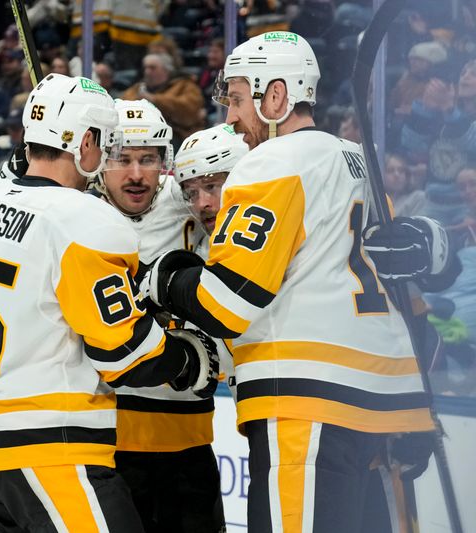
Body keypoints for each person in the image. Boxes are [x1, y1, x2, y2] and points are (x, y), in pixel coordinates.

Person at [144, 31, 450, 532]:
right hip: (380, 406)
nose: (231, 118)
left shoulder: (272, 162)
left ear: (276, 95)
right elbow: (396, 273)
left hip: (306, 403)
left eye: (239, 99)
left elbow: (229, 303)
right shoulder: (355, 159)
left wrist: (167, 277)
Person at [0, 73, 219, 532]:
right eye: (108, 144)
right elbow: (122, 353)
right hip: (43, 438)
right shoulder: (84, 218)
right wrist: (189, 358)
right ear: (86, 139)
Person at [100, 103, 248, 533]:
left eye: (148, 159)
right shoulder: (72, 210)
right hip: (106, 435)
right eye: (123, 159)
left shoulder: (190, 195)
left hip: (188, 433)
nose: (136, 174)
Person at [121, 53, 204, 147]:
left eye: (153, 68)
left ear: (166, 70)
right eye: (145, 68)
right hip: (140, 132)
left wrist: (155, 100)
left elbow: (190, 110)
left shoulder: (185, 85)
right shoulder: (137, 88)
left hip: (178, 134)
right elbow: (122, 105)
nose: (147, 72)